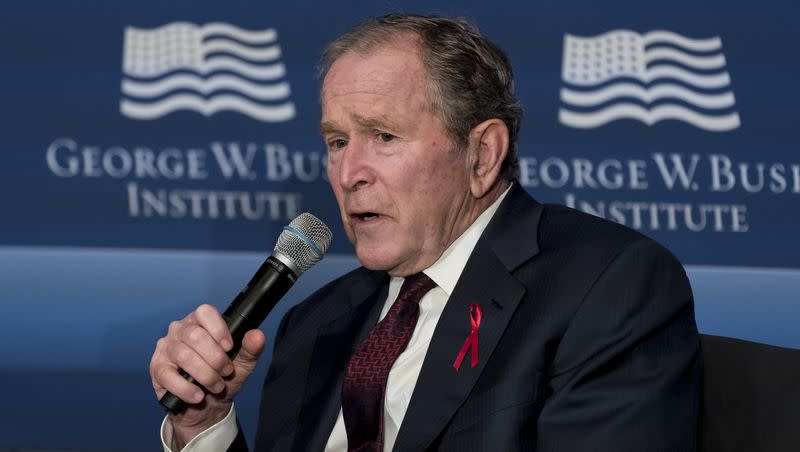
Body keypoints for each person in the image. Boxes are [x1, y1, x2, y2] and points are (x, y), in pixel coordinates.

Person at [150, 13, 700, 452]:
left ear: (482, 154)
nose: (348, 173)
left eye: (384, 136)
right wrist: (206, 425)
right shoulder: (313, 324)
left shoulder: (606, 287)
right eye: (337, 142)